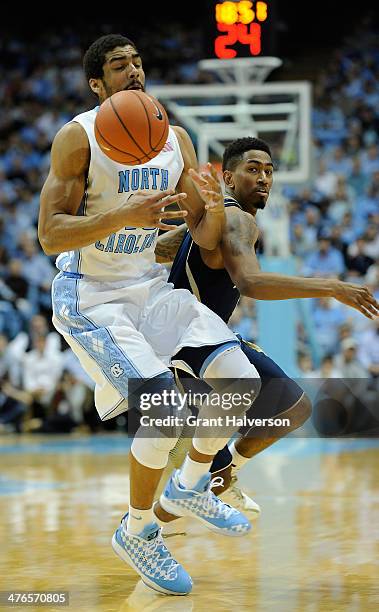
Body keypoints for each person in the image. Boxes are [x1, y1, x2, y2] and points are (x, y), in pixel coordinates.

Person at [38, 35, 263, 596]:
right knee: (163, 413)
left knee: (240, 382)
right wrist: (121, 216)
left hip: (150, 288)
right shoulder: (78, 137)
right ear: (97, 83)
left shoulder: (175, 139)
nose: (134, 72)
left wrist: (208, 207)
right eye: (120, 66)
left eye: (138, 63)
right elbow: (49, 234)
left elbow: (204, 232)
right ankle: (138, 530)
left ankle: (189, 487)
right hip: (92, 296)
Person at [152, 136, 379, 526]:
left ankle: (223, 475)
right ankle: (147, 525)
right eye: (252, 169)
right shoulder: (238, 218)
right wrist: (331, 286)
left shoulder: (211, 217)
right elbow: (252, 284)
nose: (263, 178)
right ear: (227, 176)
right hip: (188, 353)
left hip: (201, 341)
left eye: (269, 171)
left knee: (295, 406)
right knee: (189, 479)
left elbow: (158, 249)